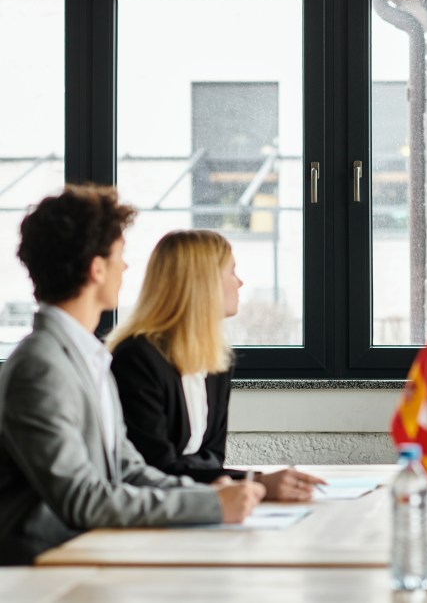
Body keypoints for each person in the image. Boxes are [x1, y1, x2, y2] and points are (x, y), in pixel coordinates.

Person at [0, 185, 264, 565]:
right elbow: (83, 499)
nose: (126, 268)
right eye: (120, 255)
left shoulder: (88, 357)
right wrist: (208, 506)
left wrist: (209, 497)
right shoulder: (41, 366)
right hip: (44, 566)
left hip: (89, 552)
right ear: (97, 268)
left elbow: (127, 469)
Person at [107, 230, 324, 501]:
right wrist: (256, 483)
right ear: (203, 282)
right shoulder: (137, 359)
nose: (240, 282)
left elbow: (212, 458)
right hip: (153, 507)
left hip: (194, 505)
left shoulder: (216, 360)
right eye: (232, 271)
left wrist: (250, 484)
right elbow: (154, 467)